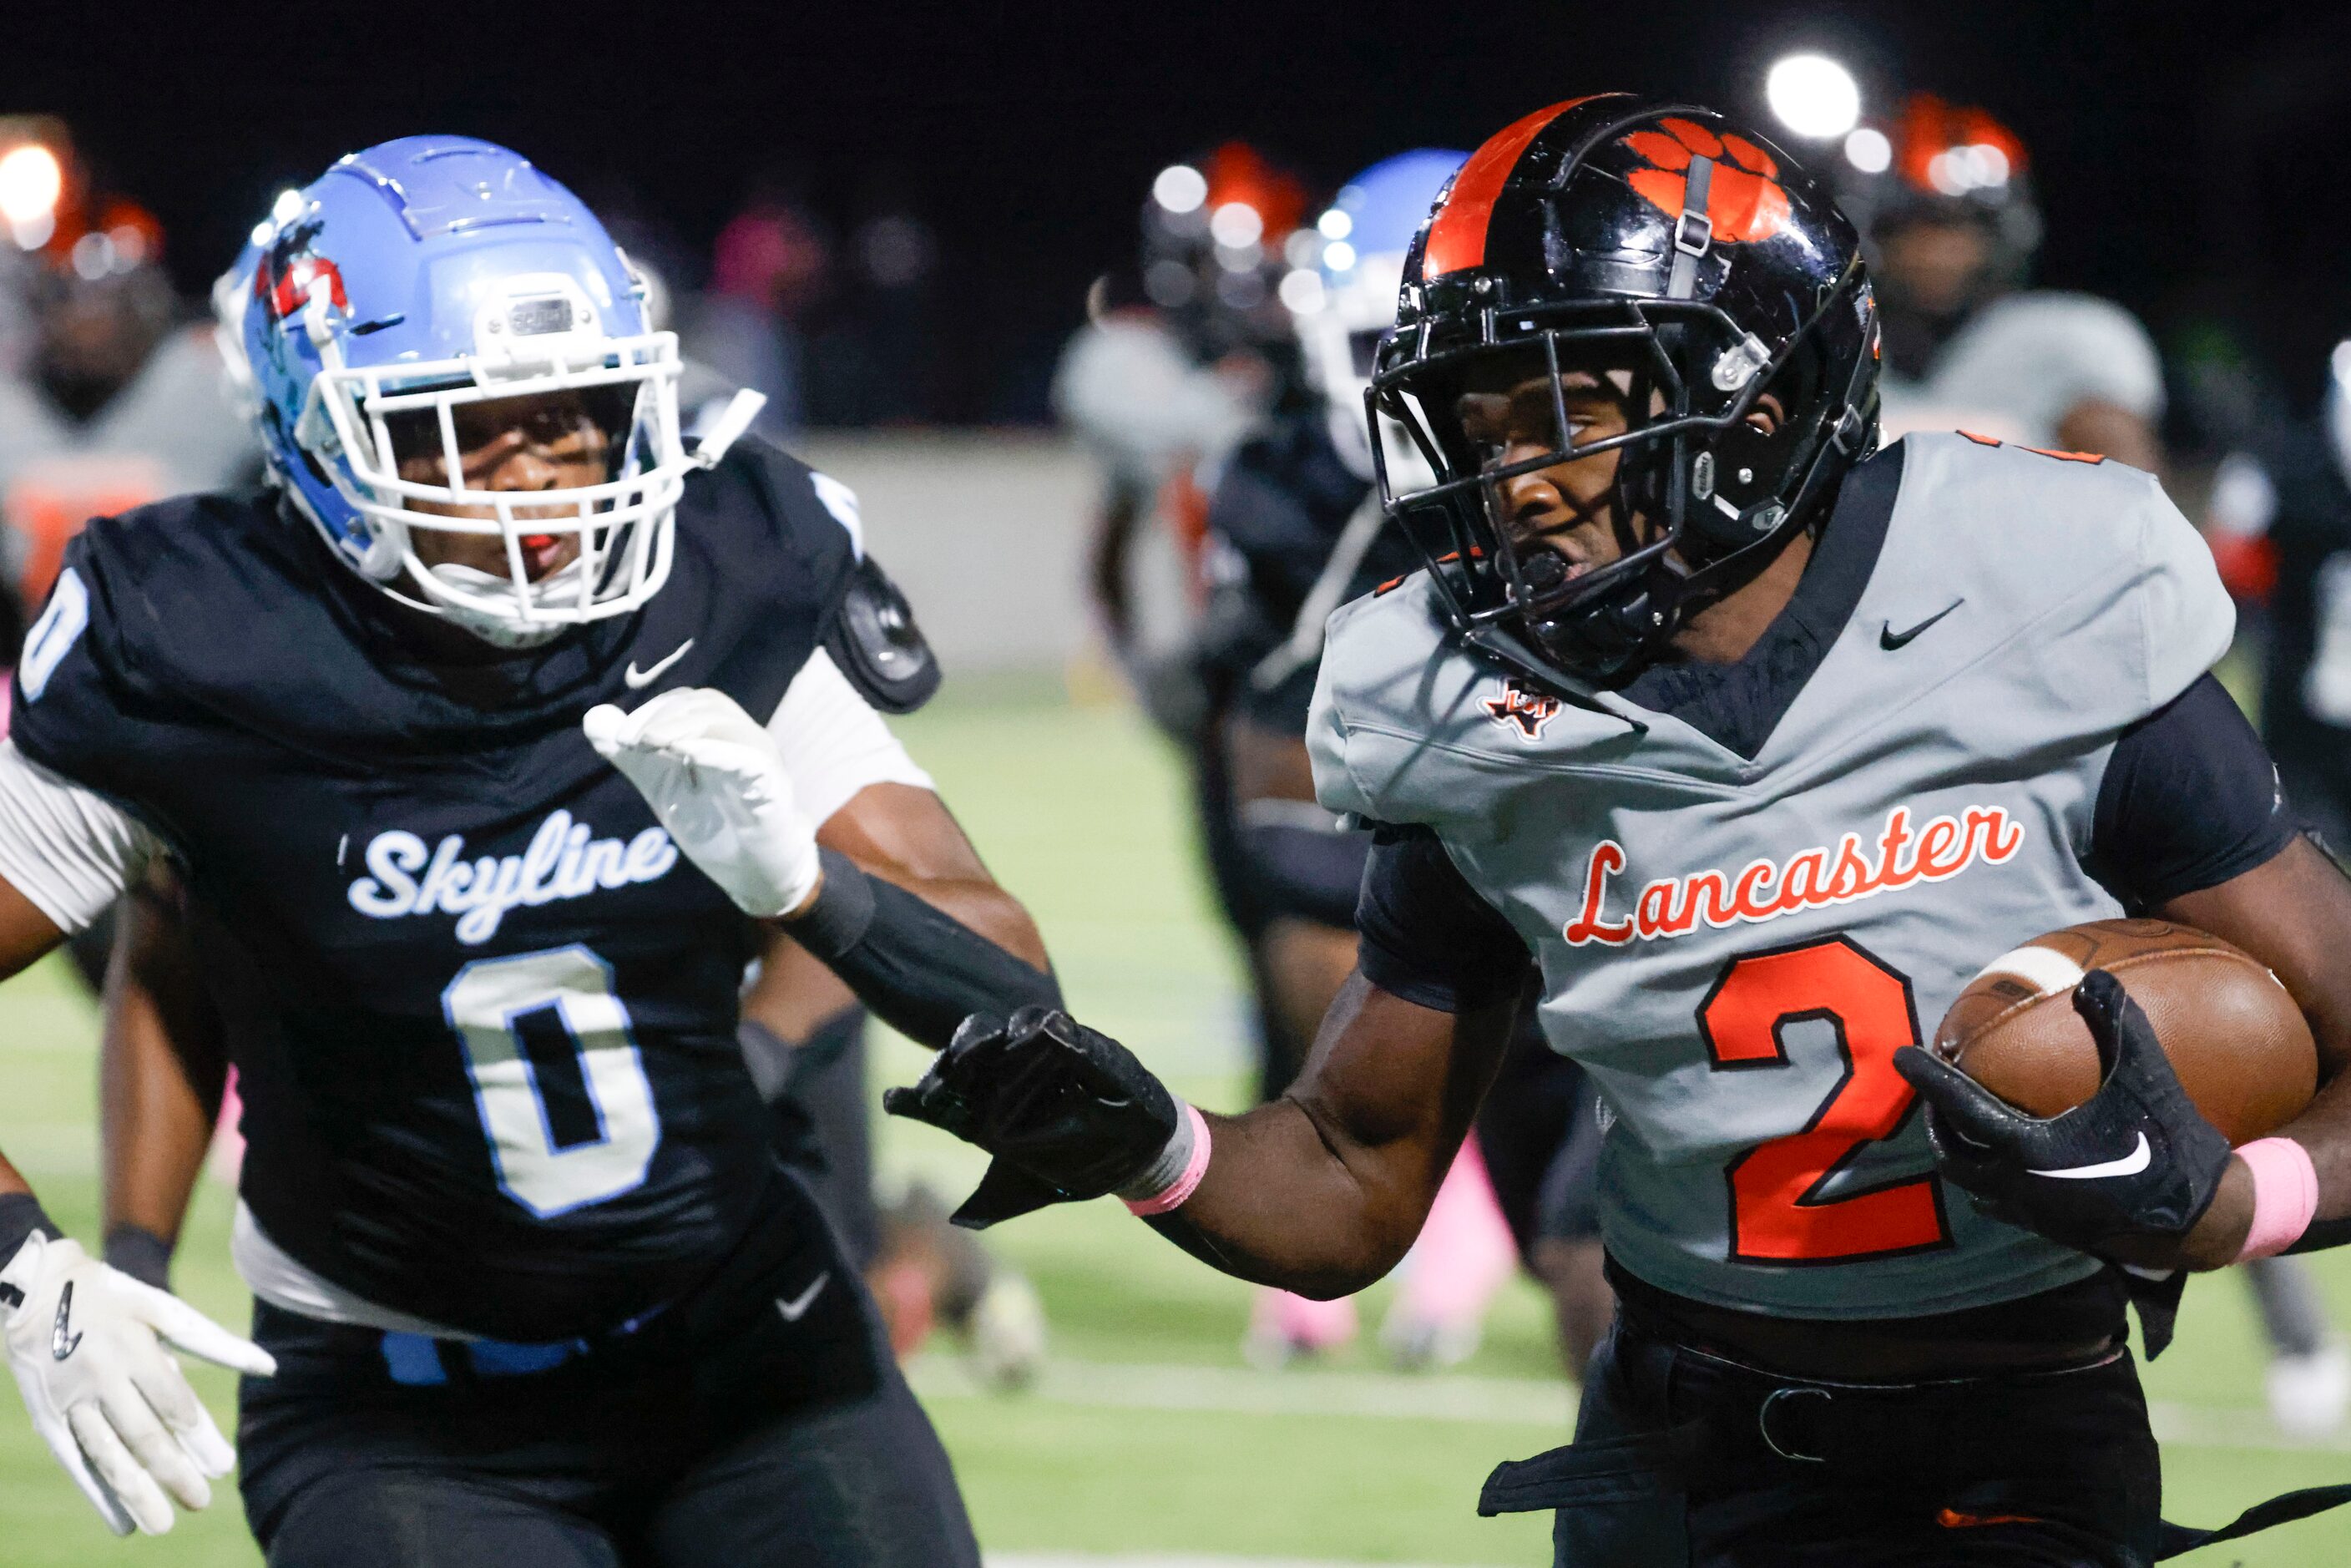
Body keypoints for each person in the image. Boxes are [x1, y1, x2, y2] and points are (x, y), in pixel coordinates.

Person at [873, 96, 2351, 1563]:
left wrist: (2240, 1197)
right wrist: (1158, 1144)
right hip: (1673, 1452)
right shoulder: (1462, 698)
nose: (1510, 476)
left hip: (2010, 1446)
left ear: (1758, 404)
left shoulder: (2034, 587)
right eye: (1474, 416)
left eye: (1564, 406)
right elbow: (1349, 1167)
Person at [0, 136, 1068, 1564]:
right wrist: (31, 1267)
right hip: (400, 1416)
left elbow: (1013, 981)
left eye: (574, 416)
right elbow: (173, 960)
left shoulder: (715, 576)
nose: (544, 486)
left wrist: (816, 889)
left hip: (757, 1360)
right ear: (319, 427)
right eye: (467, 426)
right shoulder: (200, 644)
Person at [1201, 147, 1604, 1373]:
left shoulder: (1611, 474)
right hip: (1404, 823)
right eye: (1390, 342)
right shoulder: (1278, 485)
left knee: (1594, 1246)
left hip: (1608, 857)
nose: (1423, 386)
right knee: (1302, 922)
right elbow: (1271, 758)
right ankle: (1411, 1190)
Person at [1839, 94, 2162, 469]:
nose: (1936, 251)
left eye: (1959, 228)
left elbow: (2132, 488)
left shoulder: (2069, 336)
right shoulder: (1834, 337)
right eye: (1912, 228)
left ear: (2001, 237)